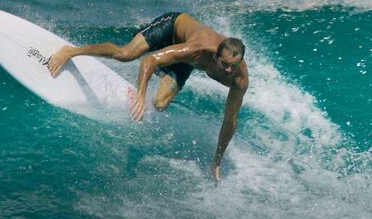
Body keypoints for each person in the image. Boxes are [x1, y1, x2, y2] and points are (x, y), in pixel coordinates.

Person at [47, 12, 248, 182]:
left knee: (160, 103)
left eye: (233, 66)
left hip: (184, 60)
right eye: (225, 64)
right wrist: (141, 96)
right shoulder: (196, 51)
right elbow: (149, 60)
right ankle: (72, 51)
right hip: (171, 28)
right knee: (126, 54)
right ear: (215, 56)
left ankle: (162, 69)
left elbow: (230, 120)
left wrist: (217, 160)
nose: (228, 70)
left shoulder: (239, 80)